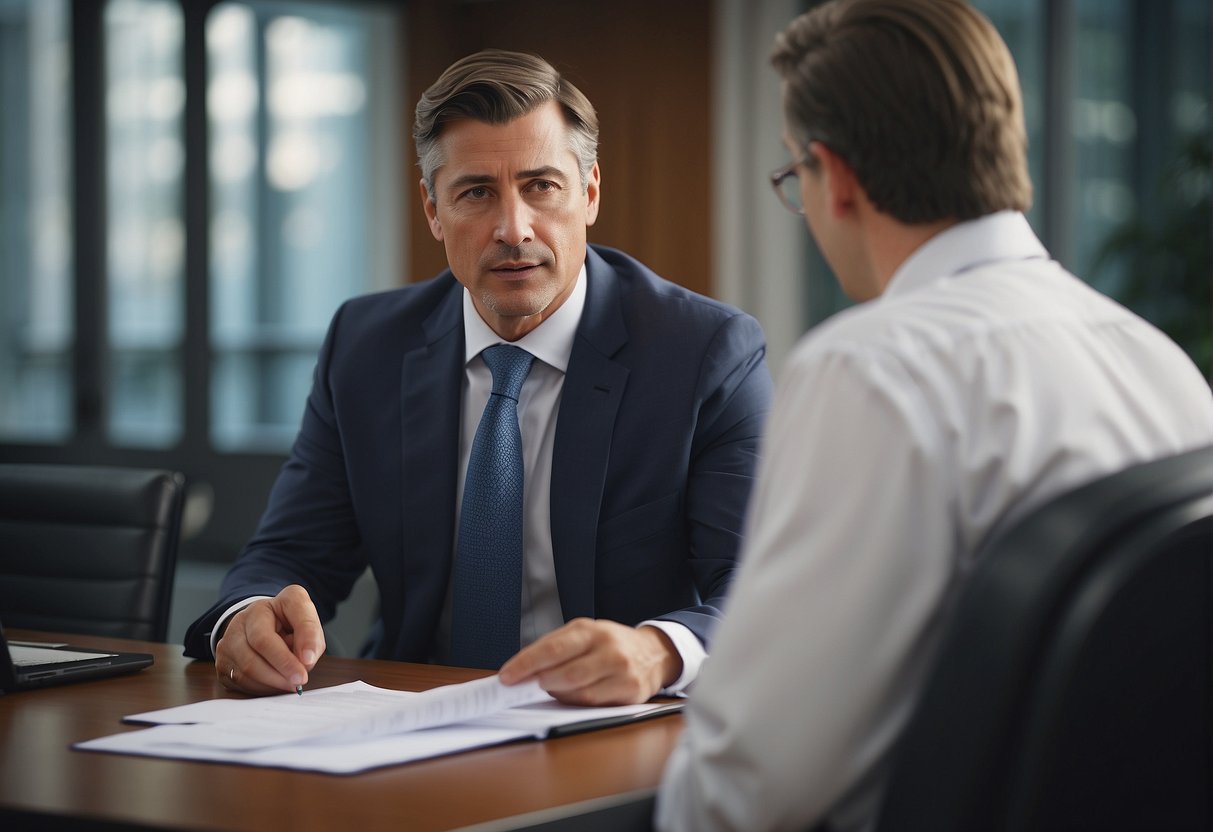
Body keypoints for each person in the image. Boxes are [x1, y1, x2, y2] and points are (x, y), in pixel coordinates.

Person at [656, 1, 1213, 829]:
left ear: (833, 176)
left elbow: (757, 788)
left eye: (792, 177)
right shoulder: (1158, 361)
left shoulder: (872, 371)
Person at [183, 49, 772, 705]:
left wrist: (658, 650)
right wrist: (249, 616)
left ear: (591, 193)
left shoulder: (702, 352)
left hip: (609, 724)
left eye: (541, 186)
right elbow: (292, 552)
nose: (512, 229)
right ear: (433, 209)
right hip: (408, 717)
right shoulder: (367, 345)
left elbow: (757, 585)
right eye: (475, 193)